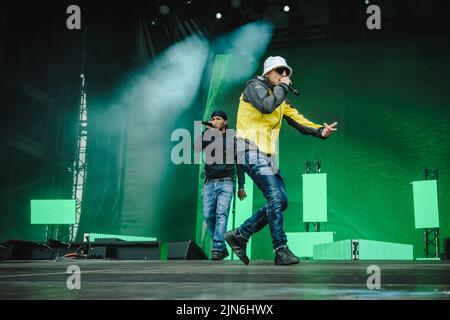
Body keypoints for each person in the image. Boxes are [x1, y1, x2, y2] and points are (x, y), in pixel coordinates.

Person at [225, 56, 337, 265]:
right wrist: (283, 89)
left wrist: (321, 131)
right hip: (248, 149)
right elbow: (266, 106)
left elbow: (299, 120)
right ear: (268, 73)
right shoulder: (253, 86)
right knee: (275, 197)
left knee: (281, 200)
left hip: (268, 156)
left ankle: (241, 234)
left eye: (287, 73)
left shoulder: (280, 99)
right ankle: (281, 249)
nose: (285, 76)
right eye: (280, 71)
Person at [194, 110, 247, 260]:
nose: (215, 121)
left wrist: (241, 186)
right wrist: (206, 133)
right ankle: (222, 248)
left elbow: (240, 162)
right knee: (208, 215)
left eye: (218, 119)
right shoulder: (208, 135)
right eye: (213, 119)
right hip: (209, 182)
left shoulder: (232, 137)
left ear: (225, 121)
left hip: (226, 181)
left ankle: (217, 248)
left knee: (221, 214)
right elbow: (196, 148)